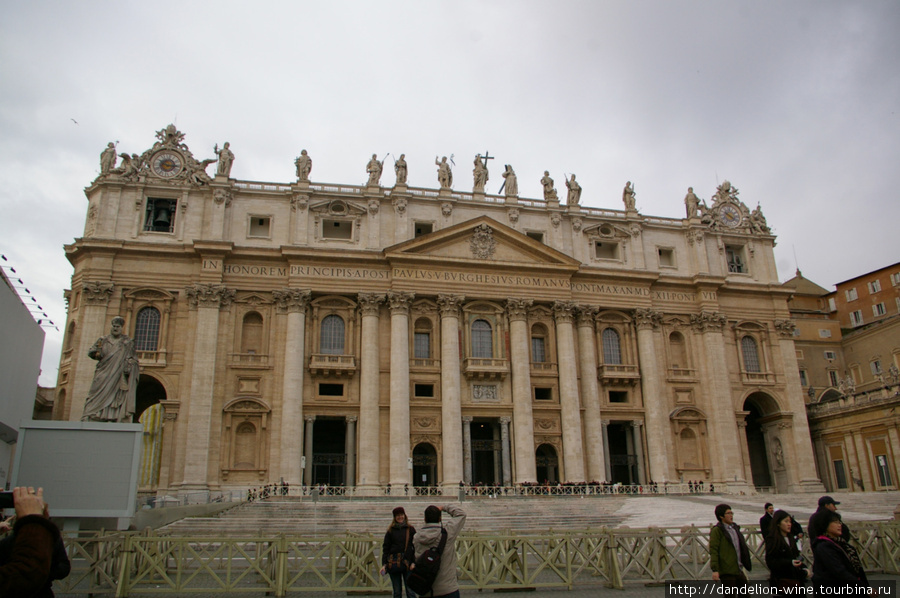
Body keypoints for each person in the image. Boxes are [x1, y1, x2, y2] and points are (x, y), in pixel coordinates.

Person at [0, 487, 63, 597]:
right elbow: (23, 576)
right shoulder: (9, 541)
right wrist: (33, 521)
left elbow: (64, 566)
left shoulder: (52, 539)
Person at [81, 316, 140, 422]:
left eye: (118, 326)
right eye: (114, 326)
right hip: (104, 369)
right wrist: (95, 353)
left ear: (122, 328)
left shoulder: (127, 342)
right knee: (96, 389)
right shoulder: (103, 340)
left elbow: (133, 358)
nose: (115, 328)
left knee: (116, 393)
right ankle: (93, 412)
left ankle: (111, 415)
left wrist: (130, 364)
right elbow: (91, 351)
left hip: (118, 371)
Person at [412, 504, 466, 598]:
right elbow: (461, 514)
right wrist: (444, 507)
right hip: (447, 589)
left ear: (425, 519)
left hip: (426, 589)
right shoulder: (448, 534)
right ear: (440, 519)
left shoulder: (416, 538)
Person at [812, 510, 868, 592]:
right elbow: (839, 571)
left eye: (840, 522)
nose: (839, 525)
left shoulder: (842, 544)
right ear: (825, 524)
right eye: (835, 522)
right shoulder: (823, 546)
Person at [764, 509, 807, 590]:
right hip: (781, 581)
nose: (789, 524)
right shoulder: (772, 539)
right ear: (778, 523)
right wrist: (790, 562)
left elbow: (796, 555)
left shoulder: (791, 538)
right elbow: (771, 561)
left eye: (790, 522)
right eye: (786, 521)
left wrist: (804, 568)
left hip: (795, 580)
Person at [709, 503, 751, 584]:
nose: (731, 515)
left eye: (732, 513)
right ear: (721, 516)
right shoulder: (717, 530)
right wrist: (715, 570)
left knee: (745, 594)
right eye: (728, 513)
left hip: (738, 568)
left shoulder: (735, 528)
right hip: (726, 571)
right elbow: (714, 550)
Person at [381, 507, 416, 598]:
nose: (400, 517)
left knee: (410, 591)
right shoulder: (390, 531)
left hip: (407, 561)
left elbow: (415, 547)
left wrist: (413, 562)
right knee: (397, 591)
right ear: (394, 517)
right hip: (393, 562)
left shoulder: (410, 529)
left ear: (404, 515)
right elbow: (386, 548)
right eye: (397, 515)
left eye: (401, 515)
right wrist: (384, 564)